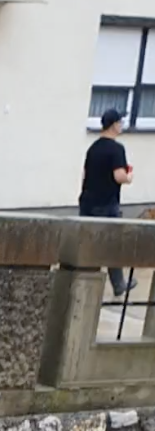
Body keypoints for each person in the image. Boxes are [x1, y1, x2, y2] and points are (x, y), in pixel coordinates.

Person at [79, 108, 135, 298]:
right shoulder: (116, 149)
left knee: (89, 243)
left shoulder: (93, 148)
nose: (122, 126)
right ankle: (118, 284)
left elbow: (85, 174)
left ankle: (86, 281)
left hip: (88, 202)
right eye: (120, 122)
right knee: (112, 245)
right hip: (107, 203)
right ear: (114, 125)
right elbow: (118, 176)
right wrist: (129, 177)